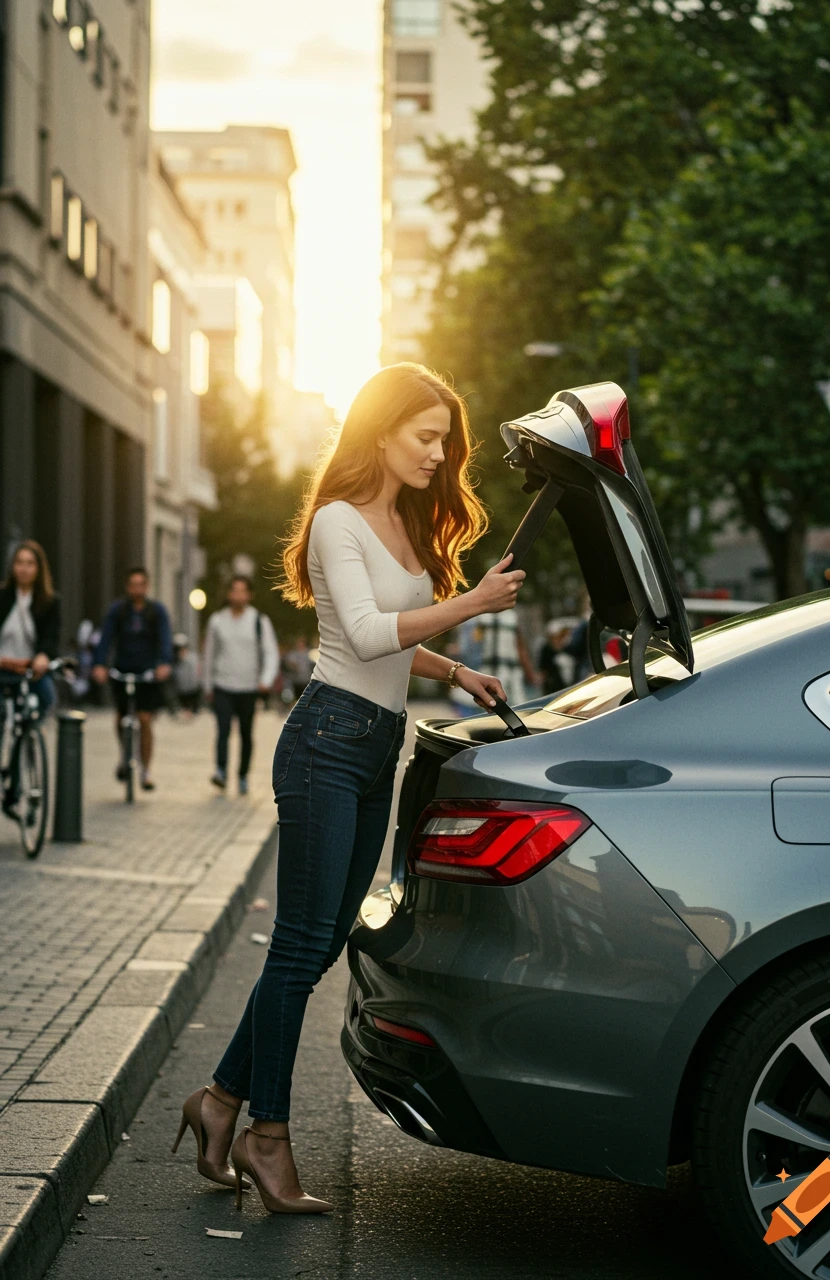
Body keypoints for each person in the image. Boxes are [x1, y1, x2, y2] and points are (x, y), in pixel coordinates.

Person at [174, 362, 525, 1212]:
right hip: (325, 743)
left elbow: (393, 643)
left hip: (374, 749)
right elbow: (364, 636)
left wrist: (455, 670)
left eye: (446, 441)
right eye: (426, 436)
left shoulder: (402, 524)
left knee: (320, 944)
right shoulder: (337, 519)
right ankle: (268, 1136)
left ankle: (216, 1100)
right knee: (299, 947)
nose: (440, 455)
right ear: (380, 430)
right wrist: (471, 604)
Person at [92, 567, 173, 791]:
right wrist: (99, 664)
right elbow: (105, 637)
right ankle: (124, 754)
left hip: (147, 674)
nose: (137, 589)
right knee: (120, 717)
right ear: (127, 587)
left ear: (147, 586)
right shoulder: (118, 611)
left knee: (145, 719)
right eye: (133, 584)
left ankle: (146, 769)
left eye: (141, 584)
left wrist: (164, 663)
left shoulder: (156, 611)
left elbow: (165, 639)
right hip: (122, 670)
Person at [203, 576, 279, 795]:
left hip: (248, 687)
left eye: (242, 591)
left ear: (249, 594)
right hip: (223, 685)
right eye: (234, 591)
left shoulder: (259, 621)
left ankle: (243, 775)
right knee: (223, 730)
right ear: (228, 594)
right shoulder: (217, 621)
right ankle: (221, 771)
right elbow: (209, 655)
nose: (238, 595)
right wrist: (207, 686)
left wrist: (266, 679)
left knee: (246, 733)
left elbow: (270, 652)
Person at [0, 541, 60, 813]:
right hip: (1, 669)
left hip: (29, 671)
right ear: (13, 567)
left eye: (29, 563)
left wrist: (43, 657)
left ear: (38, 568)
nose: (24, 569)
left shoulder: (49, 602)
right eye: (19, 563)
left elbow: (50, 640)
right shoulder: (2, 597)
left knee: (45, 698)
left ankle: (26, 748)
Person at [172, 634, 202, 717]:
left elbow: (196, 675)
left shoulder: (193, 657)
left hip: (193, 691)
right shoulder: (174, 660)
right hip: (180, 692)